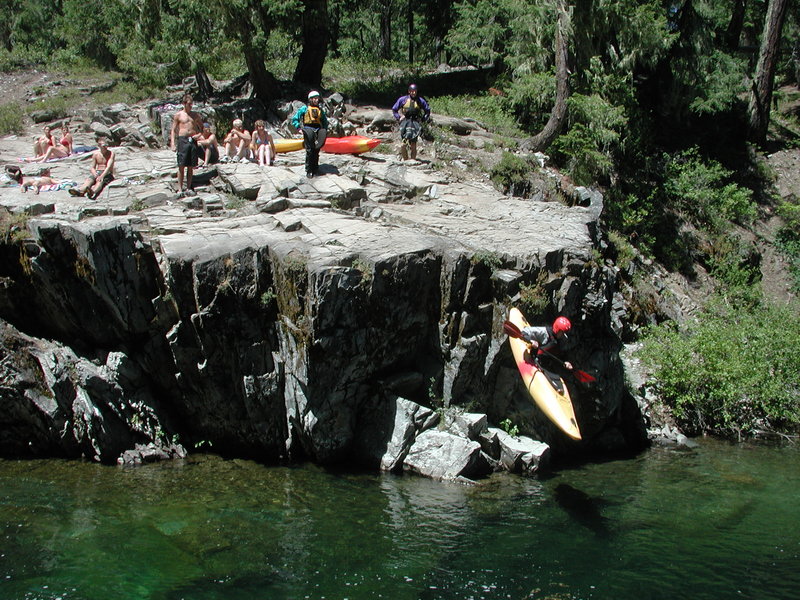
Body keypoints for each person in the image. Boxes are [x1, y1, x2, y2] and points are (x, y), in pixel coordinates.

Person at [169, 93, 204, 197]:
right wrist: (173, 143)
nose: (191, 106)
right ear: (184, 103)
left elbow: (202, 127)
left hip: (192, 140)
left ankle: (188, 187)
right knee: (181, 165)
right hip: (182, 140)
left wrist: (198, 135)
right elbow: (173, 130)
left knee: (190, 165)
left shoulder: (195, 115)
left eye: (192, 104)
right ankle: (180, 189)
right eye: (189, 104)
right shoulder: (178, 115)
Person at [291, 90, 328, 178]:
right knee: (309, 150)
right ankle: (309, 170)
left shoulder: (320, 110)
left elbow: (324, 122)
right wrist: (299, 128)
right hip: (308, 129)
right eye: (314, 99)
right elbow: (295, 119)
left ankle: (315, 168)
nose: (316, 100)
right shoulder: (304, 109)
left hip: (318, 129)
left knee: (316, 149)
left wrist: (324, 130)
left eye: (317, 98)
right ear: (310, 99)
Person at [391, 83, 430, 160]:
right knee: (403, 143)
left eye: (415, 91)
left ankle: (413, 161)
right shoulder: (403, 99)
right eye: (412, 91)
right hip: (405, 121)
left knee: (413, 144)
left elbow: (427, 111)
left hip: (415, 122)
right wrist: (399, 117)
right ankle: (405, 160)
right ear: (409, 91)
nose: (414, 92)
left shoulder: (420, 100)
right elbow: (394, 109)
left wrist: (423, 119)